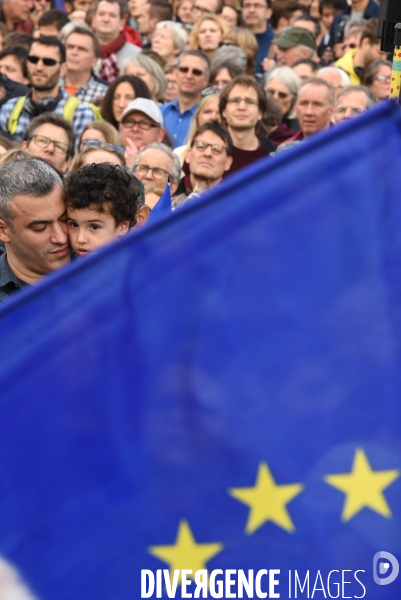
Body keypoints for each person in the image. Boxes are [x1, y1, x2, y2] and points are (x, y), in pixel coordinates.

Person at [0, 35, 100, 143]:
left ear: (63, 69)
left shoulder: (81, 113)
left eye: (48, 62)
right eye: (33, 60)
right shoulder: (10, 108)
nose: (39, 67)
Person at [0, 158, 70, 301]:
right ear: (2, 230)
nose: (61, 237)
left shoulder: (101, 266)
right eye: (40, 228)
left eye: (66, 220)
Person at [65, 162, 148, 257]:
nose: (80, 239)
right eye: (74, 225)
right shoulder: (63, 265)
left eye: (94, 227)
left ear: (123, 226)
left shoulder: (139, 265)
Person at [219, 73, 275, 176]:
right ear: (223, 111)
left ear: (260, 113)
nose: (242, 107)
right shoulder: (209, 151)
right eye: (235, 100)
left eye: (249, 101)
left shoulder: (273, 154)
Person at [173, 121, 233, 201]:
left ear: (227, 162)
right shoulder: (167, 196)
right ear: (188, 155)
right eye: (201, 145)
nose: (207, 153)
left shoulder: (238, 204)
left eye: (217, 149)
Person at [161, 50, 209, 147]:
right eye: (184, 69)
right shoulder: (159, 112)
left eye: (196, 72)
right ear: (176, 74)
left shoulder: (209, 116)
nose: (189, 76)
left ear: (206, 81)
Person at [92, 0, 141, 81]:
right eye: (101, 14)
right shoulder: (81, 50)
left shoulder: (137, 55)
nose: (106, 19)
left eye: (112, 15)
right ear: (93, 20)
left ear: (122, 23)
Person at [63, 24, 109, 103]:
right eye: (70, 47)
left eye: (82, 49)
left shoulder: (105, 94)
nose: (74, 52)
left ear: (94, 60)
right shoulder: (49, 86)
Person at [335, 19, 386, 85]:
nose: (384, 59)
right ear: (366, 43)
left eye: (386, 54)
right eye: (380, 53)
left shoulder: (384, 76)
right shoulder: (338, 72)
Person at [175, 88, 220, 161]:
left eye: (219, 112)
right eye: (207, 111)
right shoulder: (178, 154)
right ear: (197, 117)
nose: (213, 117)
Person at [119, 97, 166, 167]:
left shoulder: (167, 165)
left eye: (144, 123)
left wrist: (135, 166)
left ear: (160, 135)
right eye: (129, 122)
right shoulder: (106, 159)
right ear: (120, 128)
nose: (135, 129)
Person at [265, 66, 301, 136]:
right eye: (270, 92)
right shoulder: (253, 123)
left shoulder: (298, 133)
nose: (275, 98)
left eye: (282, 95)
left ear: (294, 100)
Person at [241, 0, 274, 75]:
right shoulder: (232, 39)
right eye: (247, 5)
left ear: (268, 12)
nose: (251, 10)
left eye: (257, 5)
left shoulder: (276, 42)